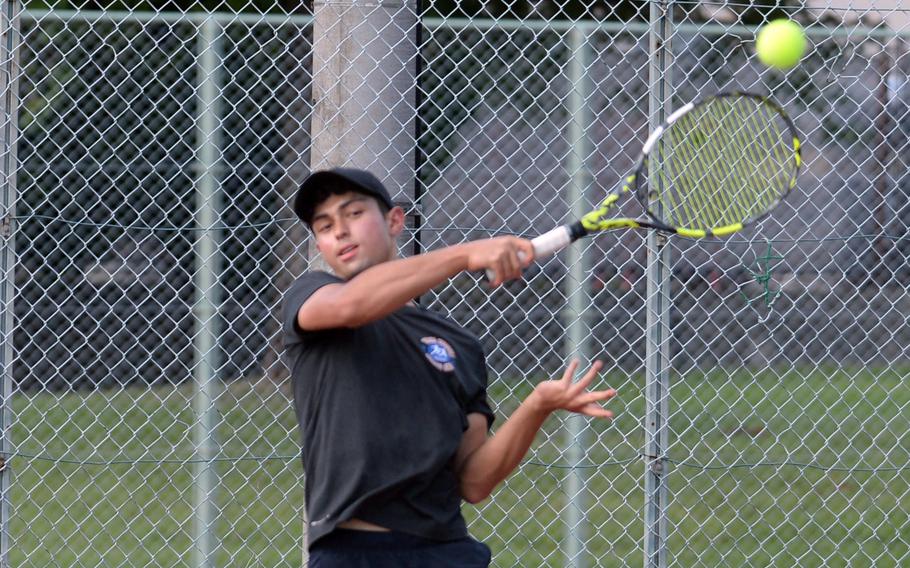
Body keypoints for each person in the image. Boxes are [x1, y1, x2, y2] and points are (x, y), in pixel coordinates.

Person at [282, 167, 617, 567]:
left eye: (353, 214)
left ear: (395, 221)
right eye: (324, 225)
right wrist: (464, 254)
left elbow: (473, 482)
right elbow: (353, 305)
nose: (339, 230)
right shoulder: (313, 296)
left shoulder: (459, 345)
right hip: (352, 553)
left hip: (446, 553)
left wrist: (537, 405)